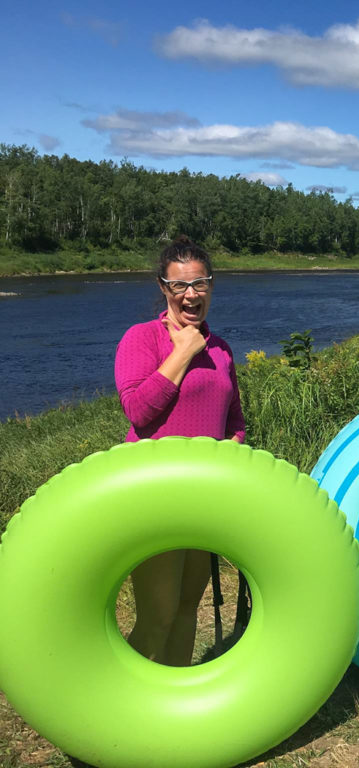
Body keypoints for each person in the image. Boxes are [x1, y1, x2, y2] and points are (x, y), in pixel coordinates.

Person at [114, 235, 245, 665]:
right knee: (158, 615)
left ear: (211, 285)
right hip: (154, 495)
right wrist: (183, 352)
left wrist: (234, 445)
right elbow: (139, 411)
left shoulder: (222, 349)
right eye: (179, 286)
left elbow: (234, 420)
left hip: (202, 496)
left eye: (200, 283)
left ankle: (172, 707)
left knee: (188, 609)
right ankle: (121, 711)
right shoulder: (142, 338)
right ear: (163, 288)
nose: (191, 294)